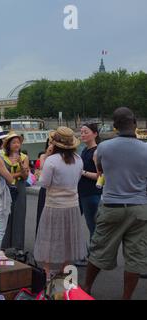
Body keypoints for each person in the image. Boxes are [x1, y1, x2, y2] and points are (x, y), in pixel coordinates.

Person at [84, 107, 147, 300]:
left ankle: (86, 288)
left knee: (99, 249)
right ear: (135, 123)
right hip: (139, 208)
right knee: (135, 257)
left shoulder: (104, 147)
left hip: (112, 204)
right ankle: (125, 297)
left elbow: (100, 171)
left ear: (114, 126)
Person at [34, 127, 86, 280]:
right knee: (69, 237)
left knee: (49, 236)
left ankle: (47, 270)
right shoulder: (78, 159)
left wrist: (43, 163)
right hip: (72, 204)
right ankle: (64, 268)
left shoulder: (52, 160)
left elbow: (44, 183)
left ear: (54, 144)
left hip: (54, 204)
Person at [1, 132, 29, 250]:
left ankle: (17, 246)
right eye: (14, 142)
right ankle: (4, 245)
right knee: (6, 214)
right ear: (8, 145)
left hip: (19, 187)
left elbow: (25, 176)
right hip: (6, 187)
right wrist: (18, 173)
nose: (17, 144)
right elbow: (4, 175)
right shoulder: (2, 157)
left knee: (19, 215)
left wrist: (21, 165)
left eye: (18, 142)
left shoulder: (24, 157)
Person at [78, 124, 102, 239]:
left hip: (91, 194)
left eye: (86, 132)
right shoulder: (84, 150)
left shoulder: (96, 152)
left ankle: (94, 254)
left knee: (93, 226)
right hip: (81, 193)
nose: (82, 134)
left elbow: (100, 176)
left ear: (95, 134)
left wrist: (82, 172)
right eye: (81, 132)